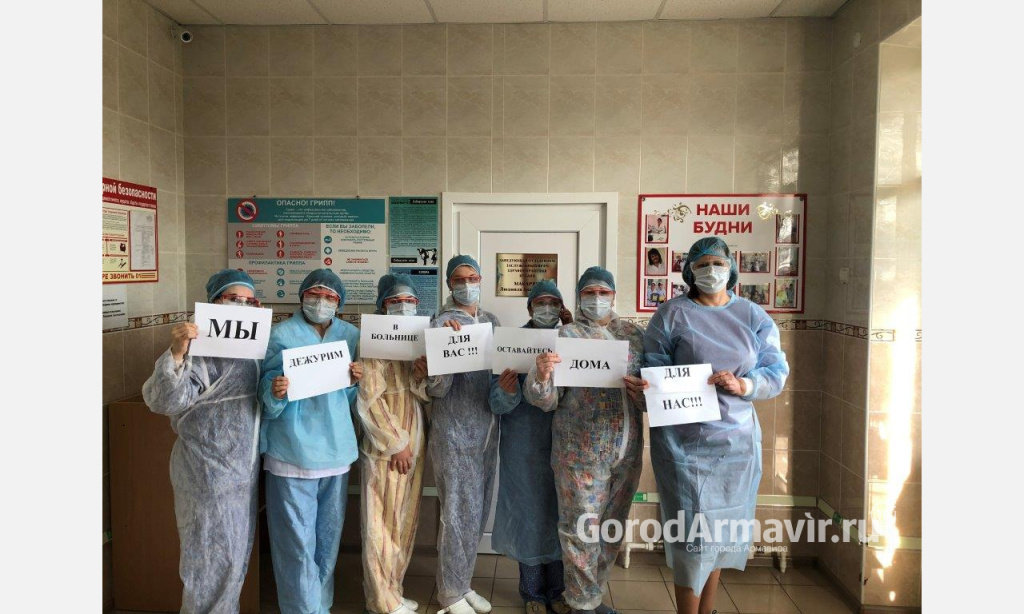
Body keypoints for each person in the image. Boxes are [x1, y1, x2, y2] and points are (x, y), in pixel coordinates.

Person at [624, 237, 789, 614]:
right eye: (702, 264)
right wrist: (648, 388)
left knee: (719, 536)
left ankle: (707, 609)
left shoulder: (752, 316)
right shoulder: (671, 315)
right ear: (689, 271)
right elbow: (654, 369)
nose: (711, 270)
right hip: (683, 446)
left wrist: (744, 384)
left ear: (731, 268)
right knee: (692, 538)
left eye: (718, 263)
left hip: (737, 445)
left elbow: (776, 370)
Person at [524, 267, 645, 614]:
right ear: (579, 298)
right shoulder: (567, 336)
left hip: (627, 448)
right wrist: (541, 375)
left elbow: (651, 390)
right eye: (589, 292)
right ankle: (581, 604)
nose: (597, 298)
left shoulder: (634, 336)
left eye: (603, 292)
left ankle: (593, 595)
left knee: (610, 528)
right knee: (580, 531)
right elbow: (547, 400)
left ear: (613, 295)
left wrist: (646, 393)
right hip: (579, 453)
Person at [141, 269, 263, 614]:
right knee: (207, 561)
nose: (242, 305)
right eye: (233, 299)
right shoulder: (198, 347)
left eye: (249, 301)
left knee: (233, 560)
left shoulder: (254, 348)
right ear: (215, 302)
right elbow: (166, 401)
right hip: (205, 470)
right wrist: (177, 353)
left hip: (242, 470)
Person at [259, 269, 364, 614]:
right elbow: (264, 389)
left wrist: (355, 382)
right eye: (315, 294)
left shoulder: (349, 335)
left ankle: (321, 605)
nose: (321, 301)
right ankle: (301, 609)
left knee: (327, 540)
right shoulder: (281, 334)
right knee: (295, 543)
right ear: (302, 296)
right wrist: (275, 390)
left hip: (336, 449)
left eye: (330, 296)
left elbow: (347, 398)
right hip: (291, 450)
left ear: (339, 302)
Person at [489, 281, 573, 614]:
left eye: (554, 303)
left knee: (561, 513)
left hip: (566, 442)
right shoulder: (512, 344)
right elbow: (495, 402)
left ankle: (558, 591)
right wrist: (507, 390)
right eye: (541, 302)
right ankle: (532, 592)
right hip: (522, 445)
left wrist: (573, 331)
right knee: (529, 514)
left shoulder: (571, 340)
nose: (547, 308)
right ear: (529, 308)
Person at [426, 255, 501, 614]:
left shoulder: (491, 322)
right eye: (459, 279)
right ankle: (449, 595)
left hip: (487, 432)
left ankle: (463, 582)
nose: (467, 284)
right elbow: (436, 389)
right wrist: (447, 349)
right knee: (456, 514)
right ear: (449, 284)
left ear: (481, 280)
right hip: (453, 433)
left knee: (477, 513)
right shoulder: (440, 323)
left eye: (472, 277)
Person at [356, 274, 430, 614]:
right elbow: (369, 398)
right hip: (387, 448)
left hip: (414, 441)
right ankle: (382, 601)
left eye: (410, 301)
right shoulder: (372, 342)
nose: (404, 306)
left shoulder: (416, 341)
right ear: (382, 305)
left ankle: (394, 591)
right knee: (381, 524)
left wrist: (420, 374)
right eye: (395, 301)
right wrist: (395, 443)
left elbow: (418, 394)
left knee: (403, 521)